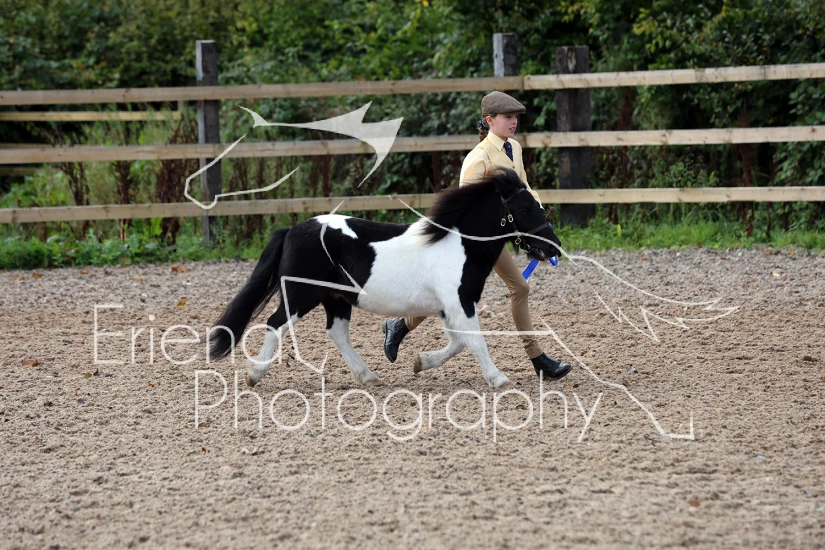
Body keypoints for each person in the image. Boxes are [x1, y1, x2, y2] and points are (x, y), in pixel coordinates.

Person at [381, 91, 572, 381]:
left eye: (515, 117)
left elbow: (524, 188)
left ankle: (400, 325)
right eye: (507, 117)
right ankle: (539, 361)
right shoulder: (478, 158)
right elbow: (466, 207)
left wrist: (539, 222)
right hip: (478, 240)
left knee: (503, 290)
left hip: (503, 233)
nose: (513, 122)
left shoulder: (514, 148)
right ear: (489, 120)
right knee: (492, 290)